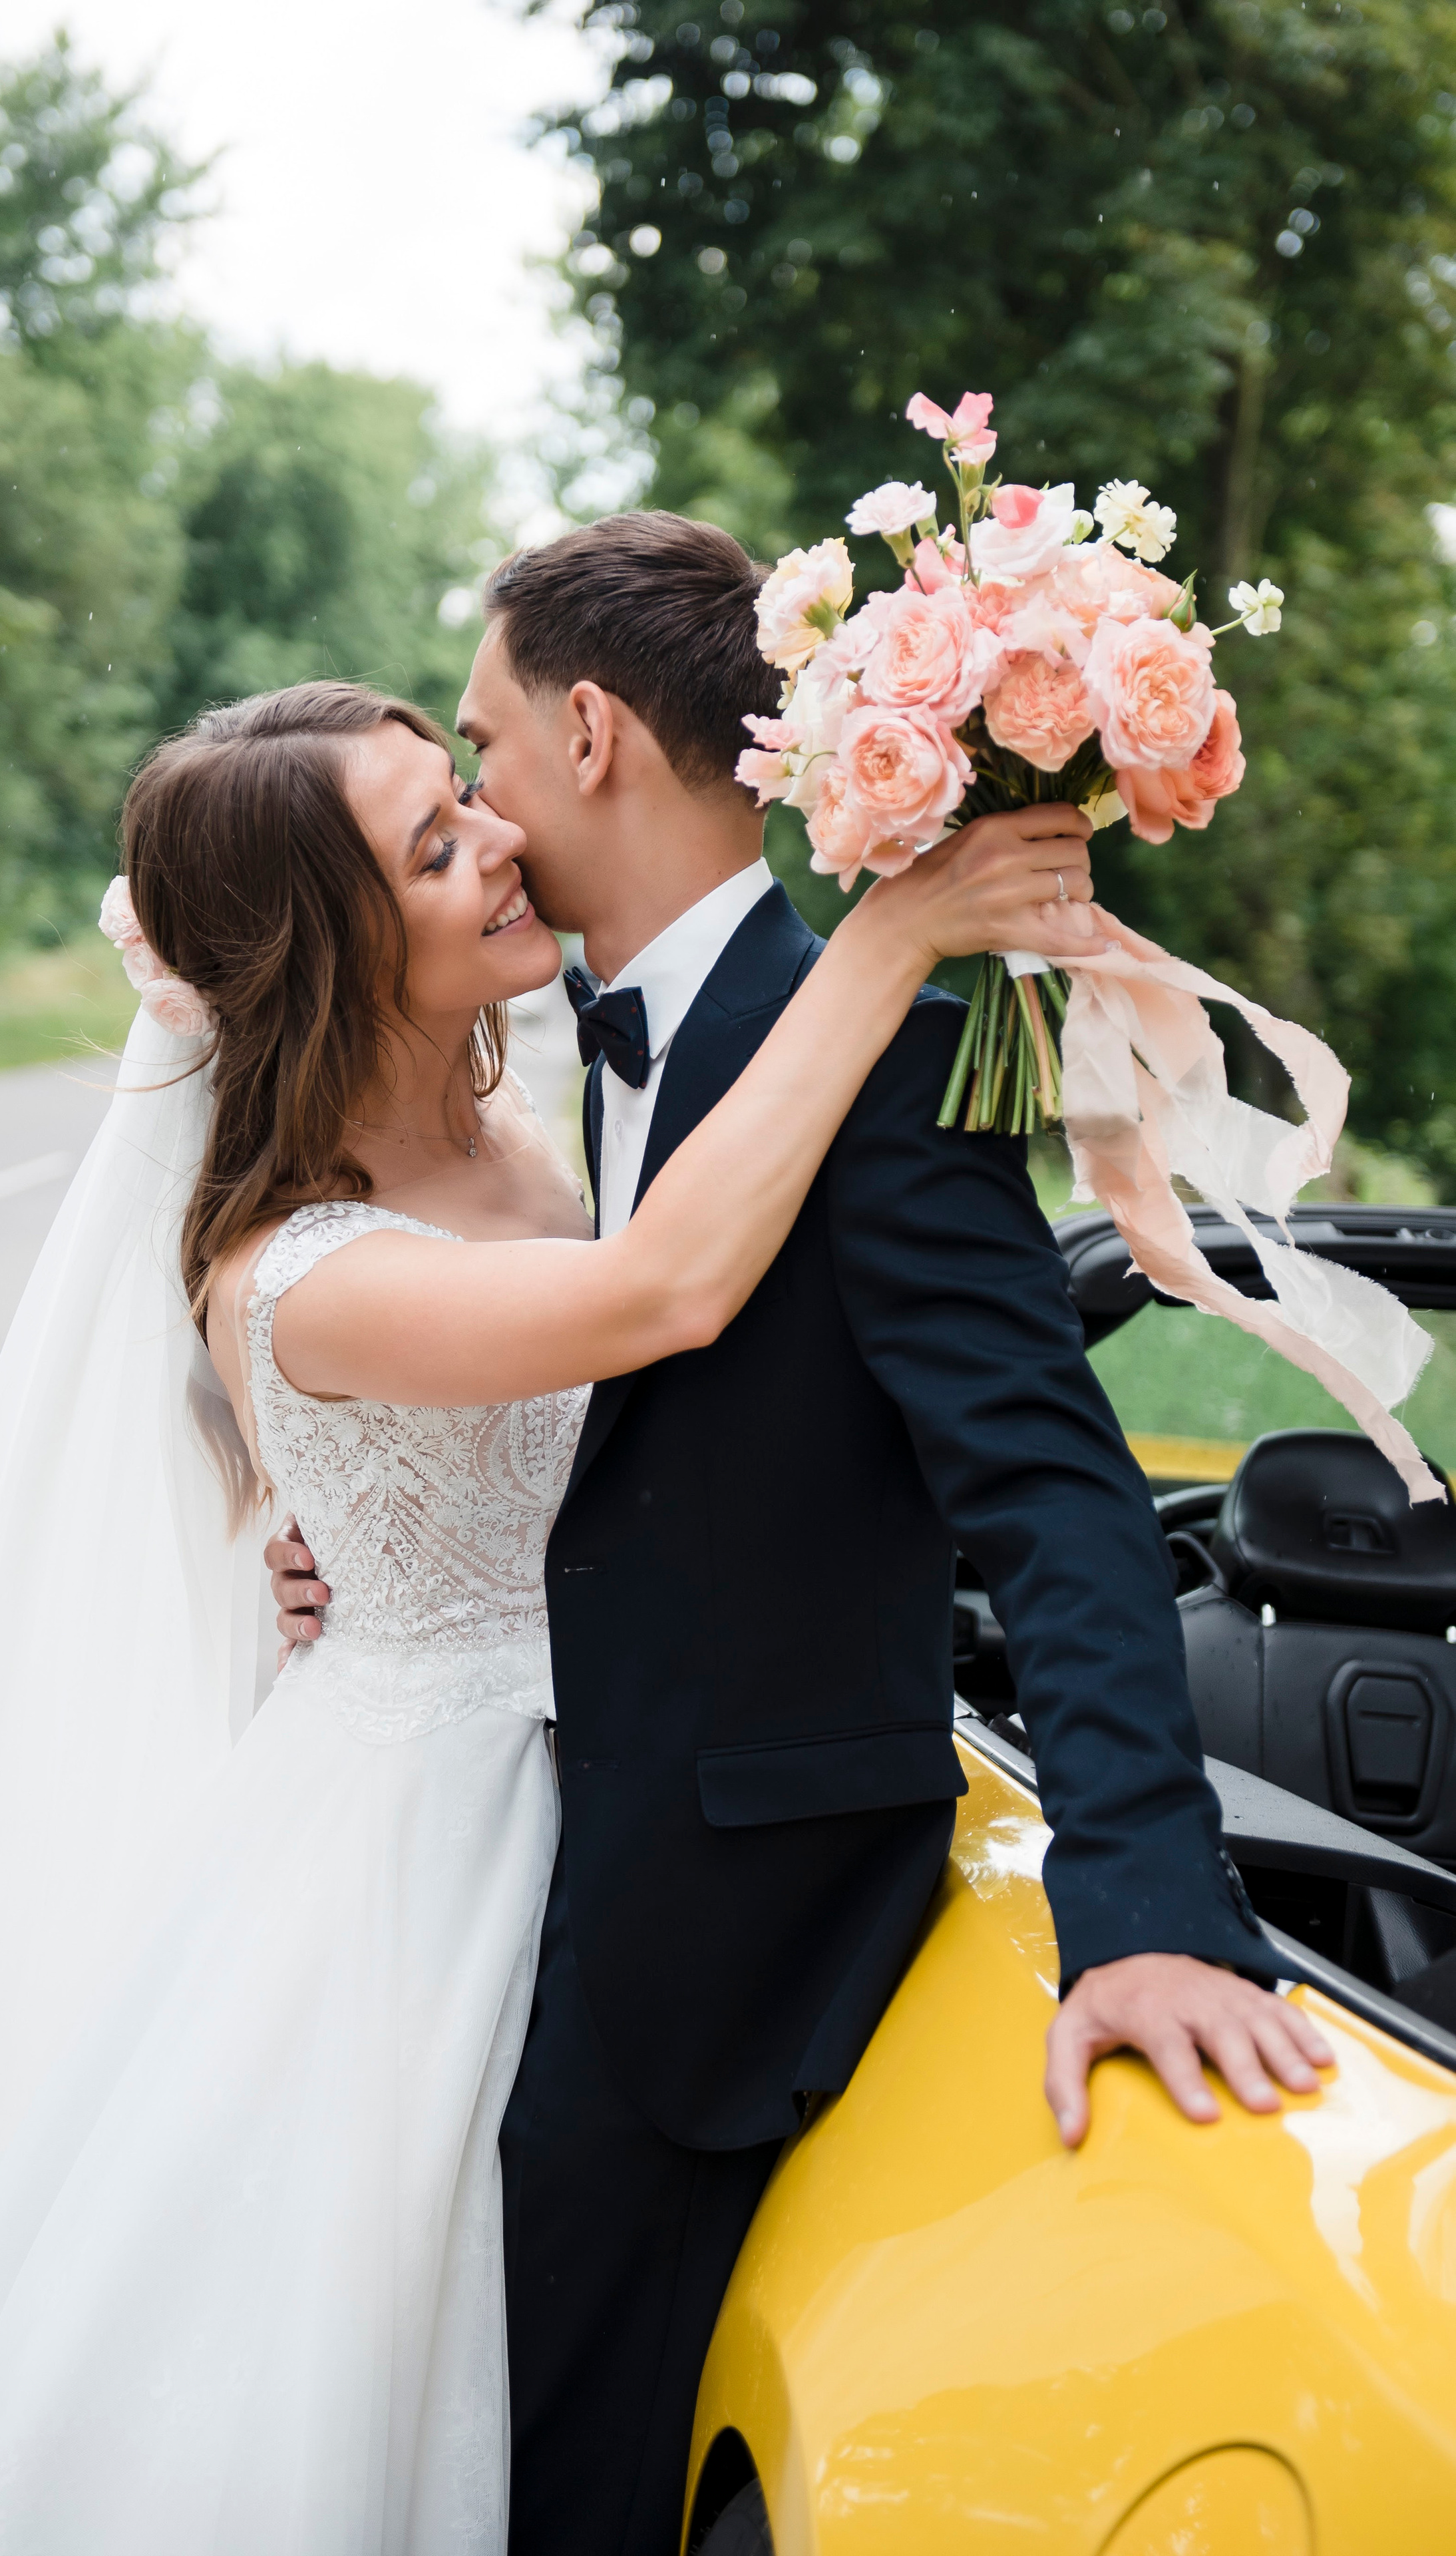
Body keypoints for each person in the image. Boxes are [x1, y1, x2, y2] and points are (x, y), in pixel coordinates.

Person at [0, 676, 1111, 2553]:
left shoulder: (548, 1120)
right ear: (337, 949)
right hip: (413, 1856)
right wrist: (893, 932)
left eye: (462, 801)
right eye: (433, 844)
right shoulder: (300, 1271)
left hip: (620, 1784)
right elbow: (666, 1296)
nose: (501, 840)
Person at [265, 513, 1334, 2556]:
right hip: (496, 1867)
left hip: (721, 1938)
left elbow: (1050, 1487)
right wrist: (364, 1535)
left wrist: (1147, 1902)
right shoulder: (548, 1040)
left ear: (589, 735)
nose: (477, 800)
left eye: (481, 748)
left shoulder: (890, 1039)